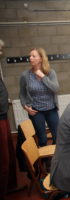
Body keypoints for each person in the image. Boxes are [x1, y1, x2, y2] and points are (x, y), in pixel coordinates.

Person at [19, 48, 59, 147]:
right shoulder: (25, 75)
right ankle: (44, 160)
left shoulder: (50, 73)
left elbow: (55, 88)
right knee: (42, 138)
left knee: (58, 137)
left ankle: (55, 158)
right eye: (30, 56)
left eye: (33, 56)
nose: (30, 58)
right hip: (36, 111)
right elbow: (22, 93)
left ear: (41, 58)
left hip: (51, 110)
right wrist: (25, 107)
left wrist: (43, 76)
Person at [0, 39, 17, 200]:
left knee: (7, 157)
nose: (1, 53)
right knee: (3, 159)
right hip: (0, 117)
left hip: (2, 115)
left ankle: (7, 189)